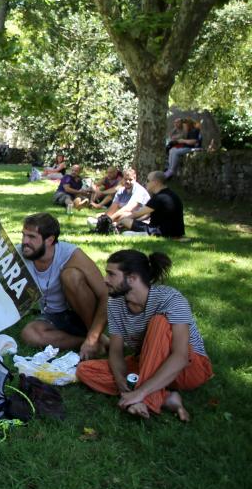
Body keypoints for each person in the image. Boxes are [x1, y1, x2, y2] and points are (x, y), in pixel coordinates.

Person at [76, 250, 212, 420]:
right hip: (148, 363)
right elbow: (116, 352)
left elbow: (181, 356)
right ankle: (167, 397)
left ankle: (145, 399)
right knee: (85, 370)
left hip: (188, 369)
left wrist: (140, 392)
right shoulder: (115, 303)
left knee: (159, 322)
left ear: (132, 278)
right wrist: (121, 382)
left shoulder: (170, 299)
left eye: (111, 274)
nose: (105, 279)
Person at [20, 213, 109, 359]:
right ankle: (92, 342)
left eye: (31, 237)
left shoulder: (71, 254)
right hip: (52, 315)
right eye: (23, 235)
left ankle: (93, 337)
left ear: (49, 240)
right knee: (29, 334)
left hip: (81, 313)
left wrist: (93, 335)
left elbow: (106, 294)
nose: (25, 241)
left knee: (71, 276)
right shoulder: (20, 254)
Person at [119, 171, 186, 238]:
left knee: (125, 221)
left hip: (160, 232)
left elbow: (136, 214)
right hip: (176, 232)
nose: (146, 183)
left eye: (148, 181)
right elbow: (148, 215)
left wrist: (119, 222)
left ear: (155, 182)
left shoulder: (158, 198)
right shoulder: (172, 195)